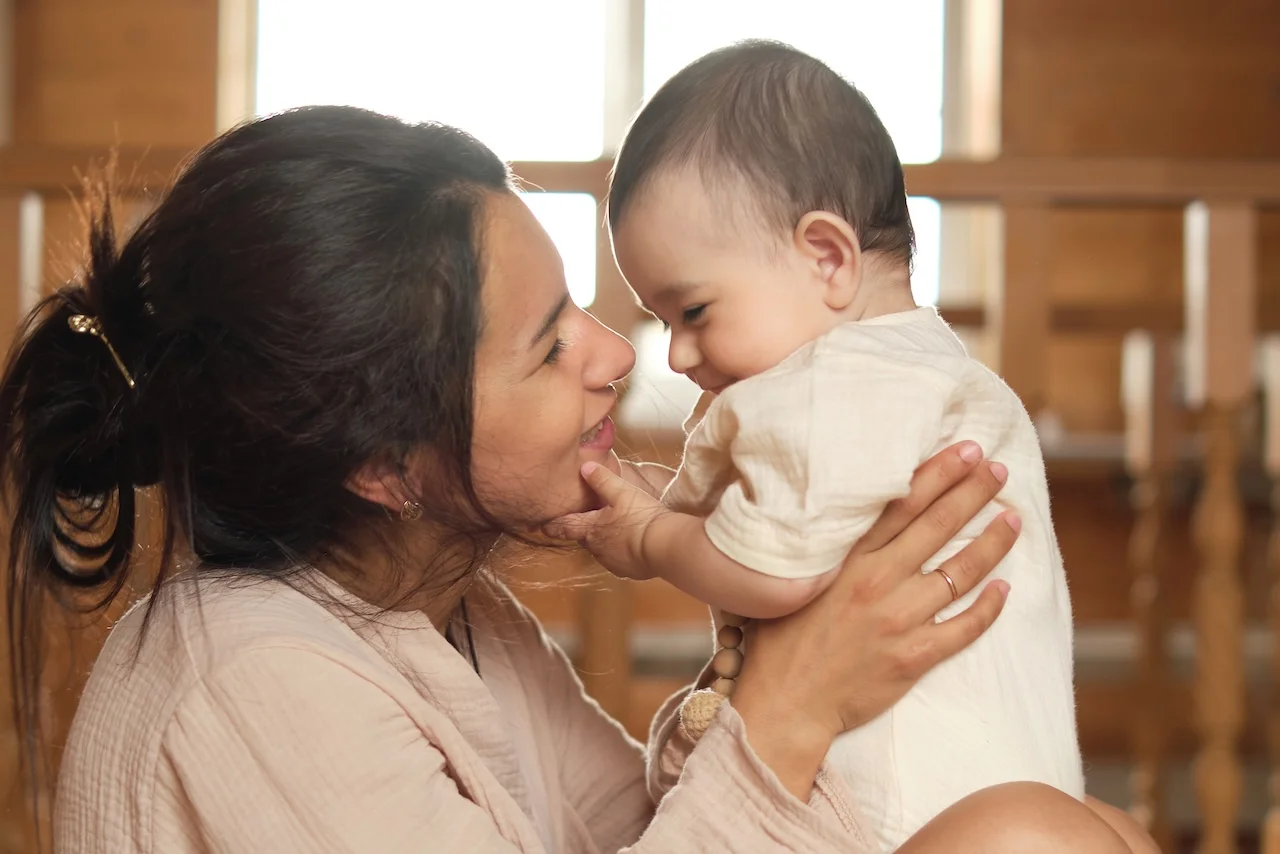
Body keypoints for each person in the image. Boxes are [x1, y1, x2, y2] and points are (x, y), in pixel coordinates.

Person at [0, 105, 1151, 852]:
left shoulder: (461, 621)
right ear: (383, 464)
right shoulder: (246, 682)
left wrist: (790, 671)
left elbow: (662, 830)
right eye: (549, 343)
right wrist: (794, 701)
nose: (616, 355)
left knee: (1056, 830)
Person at [550, 42, 1084, 851]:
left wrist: (651, 537)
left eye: (692, 312)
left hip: (901, 823)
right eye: (663, 323)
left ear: (827, 258)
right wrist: (673, 502)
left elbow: (778, 573)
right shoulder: (921, 374)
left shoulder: (838, 377)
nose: (678, 355)